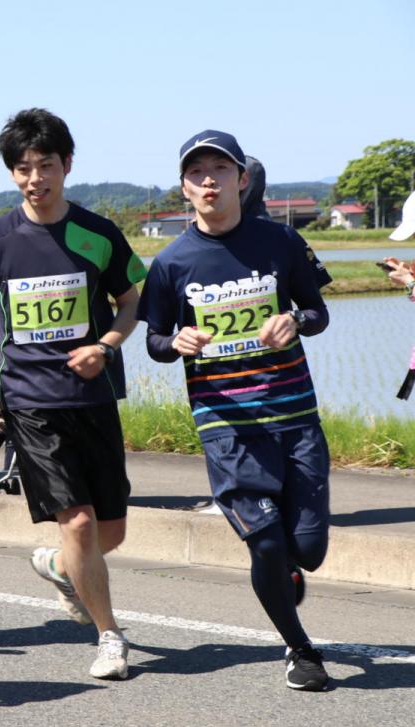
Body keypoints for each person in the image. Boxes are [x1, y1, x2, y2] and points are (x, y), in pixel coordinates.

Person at [137, 130, 332, 692]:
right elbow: (153, 339)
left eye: (219, 171)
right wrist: (176, 343)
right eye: (196, 173)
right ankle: (300, 649)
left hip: (293, 414)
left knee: (308, 551)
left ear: (242, 180)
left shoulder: (280, 242)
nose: (208, 181)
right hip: (226, 425)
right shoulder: (172, 263)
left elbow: (318, 311)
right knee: (265, 541)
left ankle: (287, 571)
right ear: (184, 188)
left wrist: (295, 320)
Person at [0, 108, 144, 681]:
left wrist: (107, 345)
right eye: (22, 168)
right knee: (81, 524)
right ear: (12, 174)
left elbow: (131, 300)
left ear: (67, 165)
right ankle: (110, 635)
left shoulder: (98, 234)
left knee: (109, 531)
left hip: (91, 398)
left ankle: (61, 569)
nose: (35, 178)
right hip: (30, 401)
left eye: (45, 165)